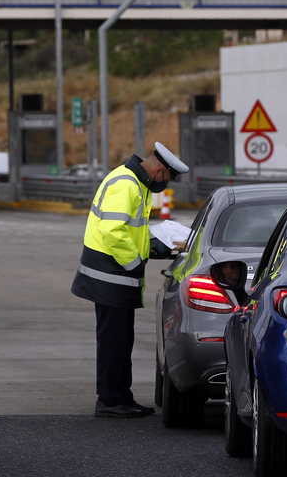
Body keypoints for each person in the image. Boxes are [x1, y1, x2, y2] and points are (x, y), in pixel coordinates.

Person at [71, 142, 189, 418]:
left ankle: (121, 396)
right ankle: (110, 400)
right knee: (114, 342)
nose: (166, 185)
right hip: (111, 276)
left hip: (116, 276)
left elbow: (132, 233)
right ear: (159, 170)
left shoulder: (136, 183)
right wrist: (135, 264)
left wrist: (165, 248)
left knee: (122, 342)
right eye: (167, 179)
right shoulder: (127, 185)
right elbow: (113, 232)